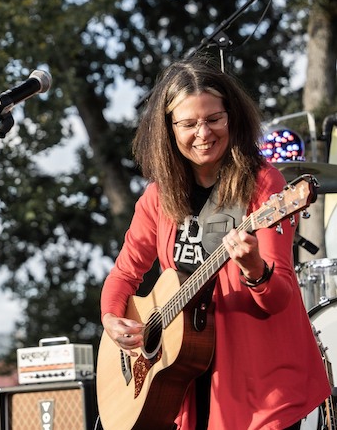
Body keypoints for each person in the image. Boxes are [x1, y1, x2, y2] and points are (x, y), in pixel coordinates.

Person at [99, 57, 330, 429]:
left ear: (232, 118)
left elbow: (279, 296)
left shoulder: (264, 185)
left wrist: (254, 269)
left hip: (258, 387)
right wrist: (112, 317)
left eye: (213, 119)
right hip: (188, 384)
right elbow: (125, 274)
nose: (203, 133)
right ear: (169, 130)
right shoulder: (158, 197)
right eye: (189, 124)